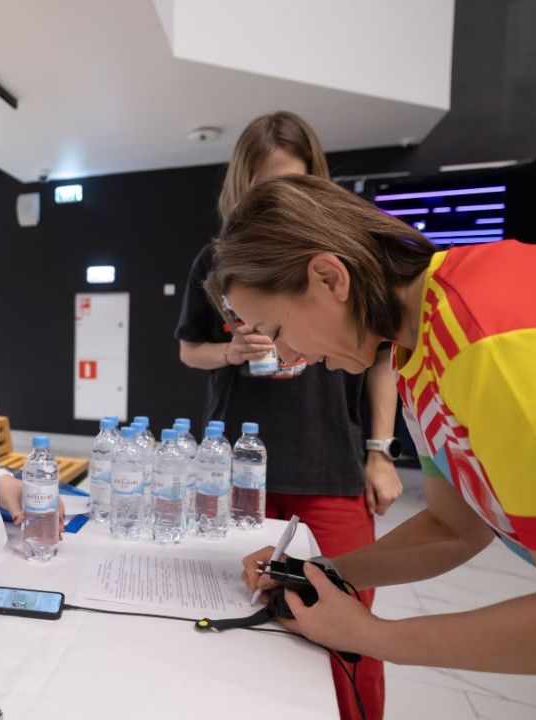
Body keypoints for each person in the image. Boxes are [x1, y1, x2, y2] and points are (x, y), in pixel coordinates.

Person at [223, 175, 536, 674]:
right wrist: (320, 572)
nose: (284, 357)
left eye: (276, 331)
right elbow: (453, 528)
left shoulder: (488, 343)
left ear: (330, 278)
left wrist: (367, 634)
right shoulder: (416, 351)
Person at [176, 112, 397, 720]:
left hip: (329, 464)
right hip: (240, 468)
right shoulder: (215, 260)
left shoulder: (348, 256)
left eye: (293, 185)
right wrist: (230, 351)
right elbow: (189, 349)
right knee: (243, 616)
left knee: (346, 619)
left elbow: (382, 357)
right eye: (264, 188)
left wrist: (380, 451)